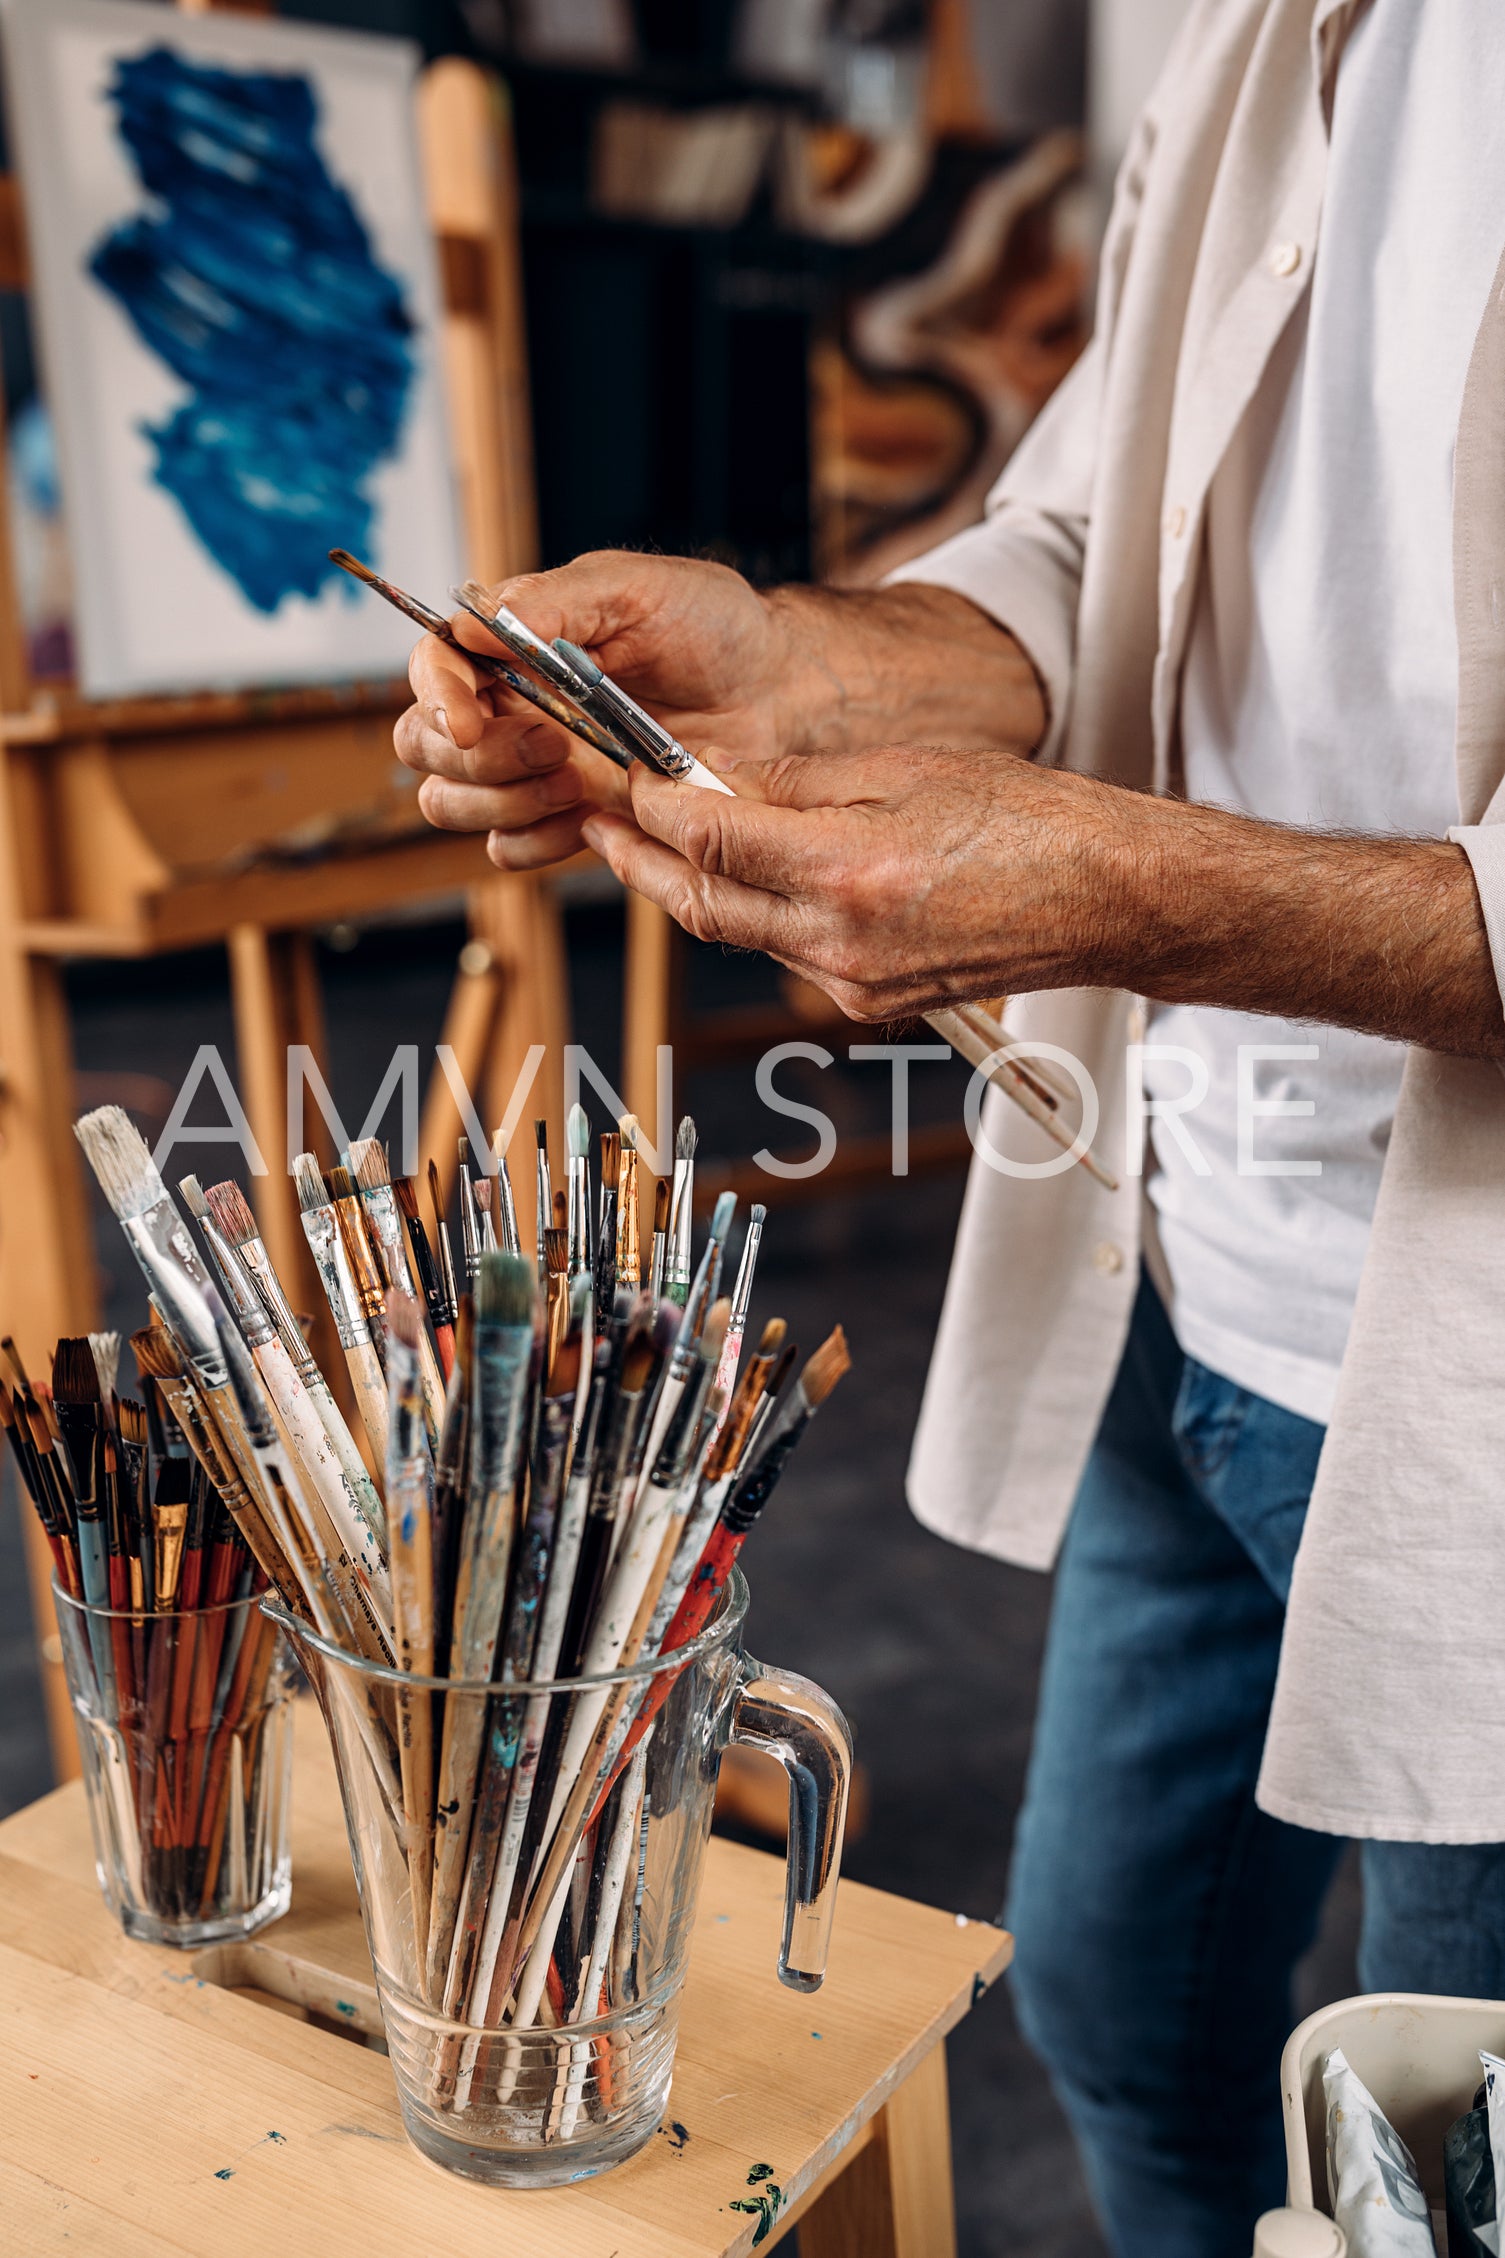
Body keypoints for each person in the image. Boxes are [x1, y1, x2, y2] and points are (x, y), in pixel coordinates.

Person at [396, 2, 1505, 2249]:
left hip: (1477, 1398)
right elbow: (1097, 535)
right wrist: (802, 653)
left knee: (1449, 2170)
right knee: (1113, 2008)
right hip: (1182, 1280)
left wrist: (1101, 885)